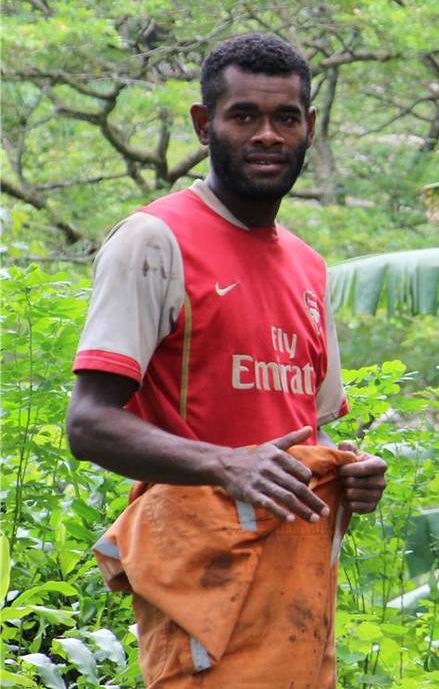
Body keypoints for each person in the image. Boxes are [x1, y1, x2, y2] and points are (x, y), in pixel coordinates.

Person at [66, 33, 387, 685]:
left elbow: (309, 433)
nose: (267, 134)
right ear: (204, 125)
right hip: (200, 583)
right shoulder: (155, 240)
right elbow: (88, 423)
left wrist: (352, 472)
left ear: (309, 128)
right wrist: (224, 463)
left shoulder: (308, 265)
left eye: (285, 118)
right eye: (244, 116)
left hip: (297, 592)